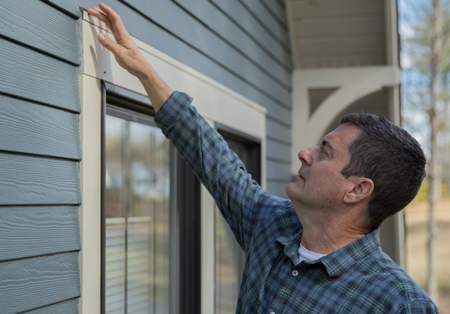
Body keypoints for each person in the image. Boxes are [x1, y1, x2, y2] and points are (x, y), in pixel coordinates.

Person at [88, 4, 439, 313]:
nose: (305, 153)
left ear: (357, 189)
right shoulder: (271, 225)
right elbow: (213, 159)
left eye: (325, 151)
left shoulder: (399, 304)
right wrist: (145, 72)